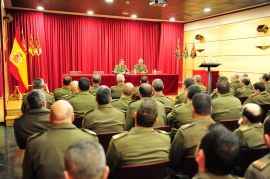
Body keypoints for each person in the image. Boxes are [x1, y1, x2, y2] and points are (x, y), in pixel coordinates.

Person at [23, 100, 98, 179]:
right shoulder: (91, 138)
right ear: (72, 117)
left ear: (50, 118)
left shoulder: (34, 143)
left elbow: (27, 176)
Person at [106, 98, 170, 176]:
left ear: (135, 115)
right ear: (156, 120)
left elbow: (109, 171)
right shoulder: (166, 139)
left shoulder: (117, 142)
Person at [169, 93, 215, 170]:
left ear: (192, 110)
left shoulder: (184, 132)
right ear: (211, 109)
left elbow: (173, 162)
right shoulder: (223, 131)